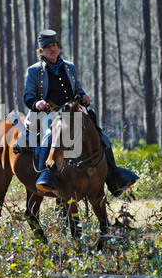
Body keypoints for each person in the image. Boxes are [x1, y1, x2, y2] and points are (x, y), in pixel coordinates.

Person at [23, 29, 138, 195]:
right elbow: (27, 97)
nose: (53, 49)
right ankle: (46, 176)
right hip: (48, 113)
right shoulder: (34, 71)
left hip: (72, 112)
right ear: (42, 51)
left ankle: (114, 177)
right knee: (49, 137)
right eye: (48, 47)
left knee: (103, 138)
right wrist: (37, 103)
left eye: (55, 45)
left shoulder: (69, 67)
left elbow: (77, 88)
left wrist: (83, 96)